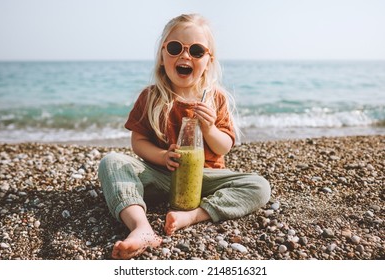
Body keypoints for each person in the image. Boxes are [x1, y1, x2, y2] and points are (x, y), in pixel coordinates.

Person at [98, 13, 271, 260]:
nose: (185, 56)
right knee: (112, 162)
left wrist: (210, 128)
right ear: (162, 55)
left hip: (204, 181)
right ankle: (140, 226)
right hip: (162, 178)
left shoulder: (215, 99)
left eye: (197, 51)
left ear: (209, 61)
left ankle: (193, 215)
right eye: (176, 47)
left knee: (259, 186)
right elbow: (138, 142)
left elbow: (223, 148)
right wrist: (161, 156)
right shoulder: (151, 98)